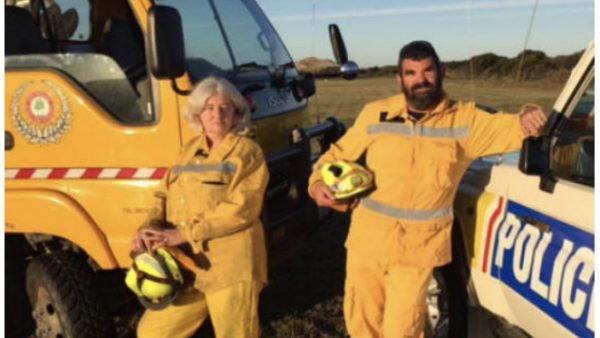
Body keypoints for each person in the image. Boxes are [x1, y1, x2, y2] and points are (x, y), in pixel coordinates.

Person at [308, 41, 547, 338]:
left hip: (417, 252)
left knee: (402, 329)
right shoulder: (376, 114)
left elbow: (517, 127)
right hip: (366, 245)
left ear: (441, 71)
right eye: (410, 73)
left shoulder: (465, 120)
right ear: (399, 79)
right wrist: (317, 183)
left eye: (427, 71)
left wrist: (529, 113)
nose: (420, 80)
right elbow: (334, 156)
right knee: (362, 323)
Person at [131, 76, 269, 338]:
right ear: (198, 113)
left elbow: (241, 209)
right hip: (185, 264)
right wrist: (148, 226)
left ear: (236, 114)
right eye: (209, 108)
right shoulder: (188, 150)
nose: (216, 115)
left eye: (224, 108)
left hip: (231, 267)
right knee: (152, 333)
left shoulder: (247, 153)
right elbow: (163, 194)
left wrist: (184, 234)